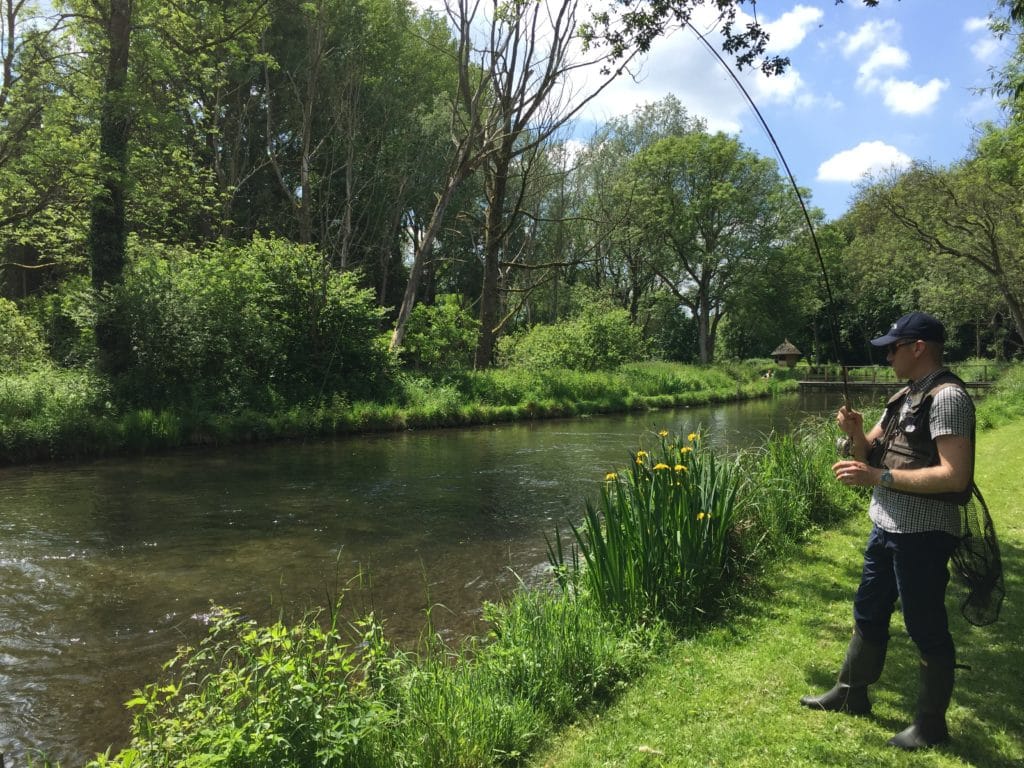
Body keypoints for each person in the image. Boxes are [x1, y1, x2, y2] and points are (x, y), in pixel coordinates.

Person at [799, 310, 975, 751]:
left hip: (924, 533)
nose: (887, 356)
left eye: (893, 348)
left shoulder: (948, 397)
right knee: (869, 610)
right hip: (885, 526)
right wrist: (856, 434)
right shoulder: (903, 394)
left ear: (918, 349)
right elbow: (872, 452)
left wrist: (878, 479)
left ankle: (931, 725)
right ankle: (850, 692)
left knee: (925, 625)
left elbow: (955, 476)